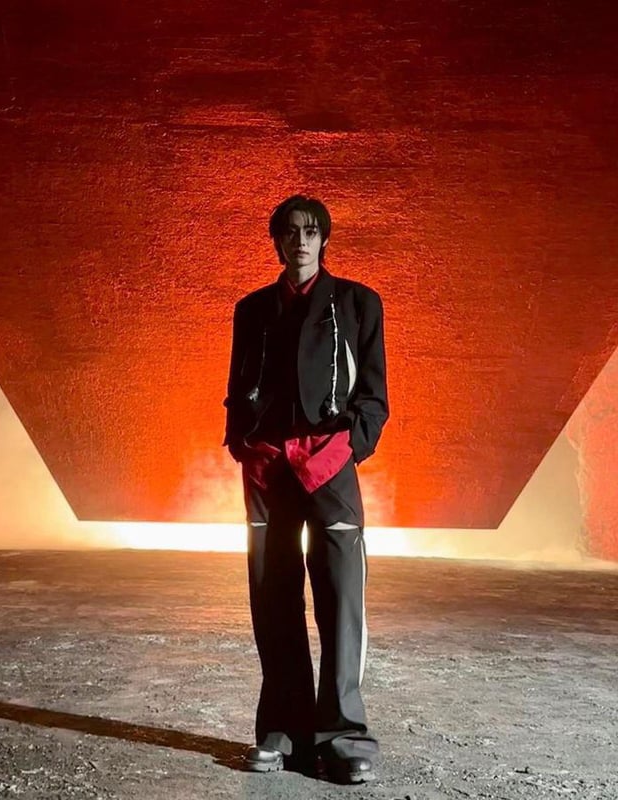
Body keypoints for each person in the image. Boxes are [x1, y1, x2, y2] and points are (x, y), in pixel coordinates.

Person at [222, 194, 389, 784]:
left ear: (324, 240)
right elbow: (237, 389)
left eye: (312, 232)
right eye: (291, 232)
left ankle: (343, 737)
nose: (301, 241)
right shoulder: (252, 310)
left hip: (331, 467)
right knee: (273, 600)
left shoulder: (359, 304)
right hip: (268, 472)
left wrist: (344, 450)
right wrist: (245, 445)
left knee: (341, 601)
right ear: (276, 240)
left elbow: (373, 399)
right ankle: (282, 730)